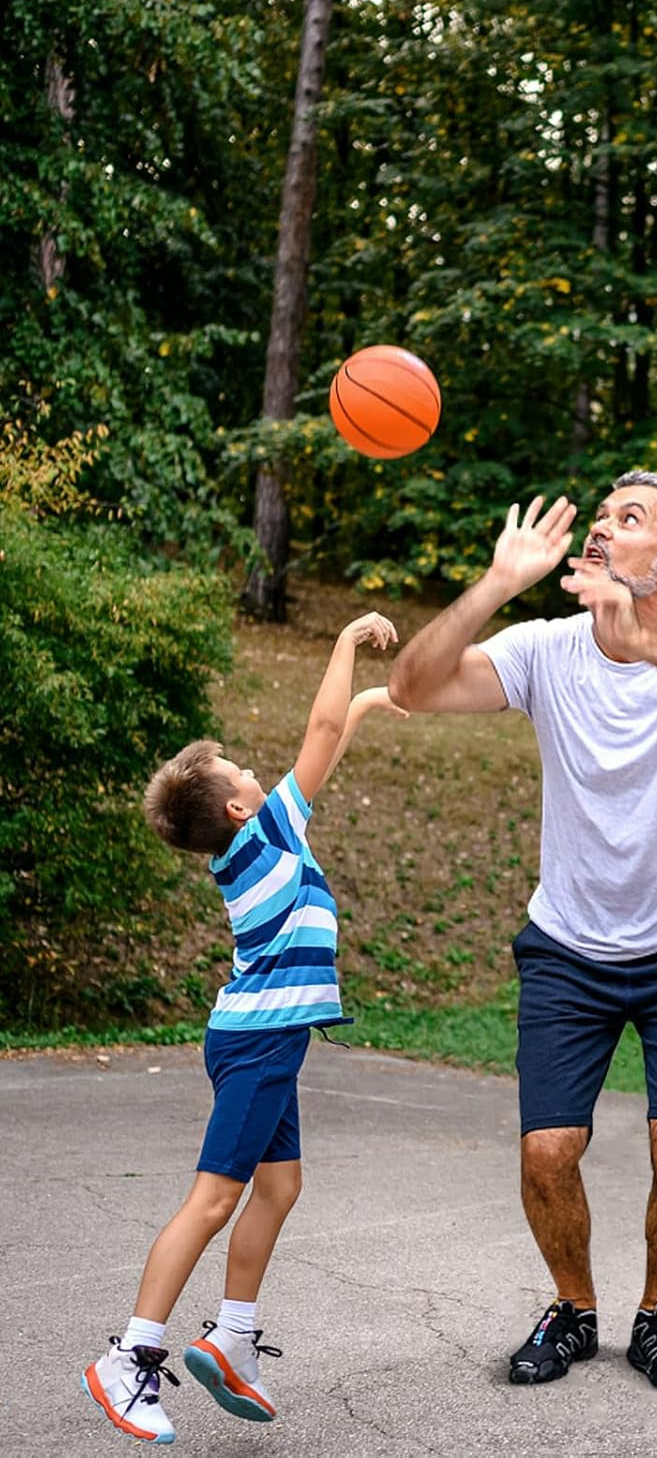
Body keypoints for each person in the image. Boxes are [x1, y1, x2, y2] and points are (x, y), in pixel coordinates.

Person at [387, 471, 657, 1392]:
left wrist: (647, 648)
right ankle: (572, 1308)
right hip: (569, 945)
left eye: (630, 519)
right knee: (546, 1150)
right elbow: (412, 688)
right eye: (603, 515)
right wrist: (495, 586)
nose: (604, 528)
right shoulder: (545, 649)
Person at [82, 612, 406, 1444]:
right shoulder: (266, 835)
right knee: (214, 1197)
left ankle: (229, 1337)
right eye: (245, 770)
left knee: (280, 1186)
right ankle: (132, 1356)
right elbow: (322, 730)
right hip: (258, 1040)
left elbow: (337, 730)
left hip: (267, 1038)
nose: (260, 771)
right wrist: (345, 646)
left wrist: (371, 700)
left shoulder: (258, 839)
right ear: (237, 805)